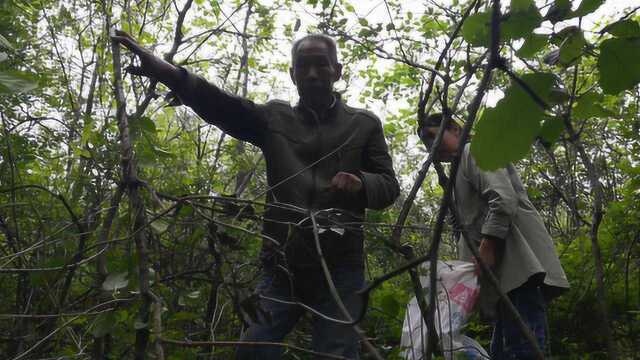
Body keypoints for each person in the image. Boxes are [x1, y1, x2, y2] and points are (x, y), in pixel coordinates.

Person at [112, 31, 400, 359]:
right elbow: (221, 105)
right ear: (292, 74)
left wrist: (362, 183)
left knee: (337, 352)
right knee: (254, 349)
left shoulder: (363, 125)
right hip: (282, 265)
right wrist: (167, 72)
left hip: (341, 268)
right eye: (303, 66)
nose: (312, 74)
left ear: (338, 70)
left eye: (321, 65)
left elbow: (389, 186)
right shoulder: (274, 118)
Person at [417, 113, 569, 359]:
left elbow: (503, 199)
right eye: (426, 145)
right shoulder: (457, 170)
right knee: (506, 348)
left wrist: (487, 246)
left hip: (517, 268)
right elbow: (468, 223)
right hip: (502, 277)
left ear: (455, 129)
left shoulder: (475, 151)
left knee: (523, 347)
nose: (431, 148)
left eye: (433, 137)